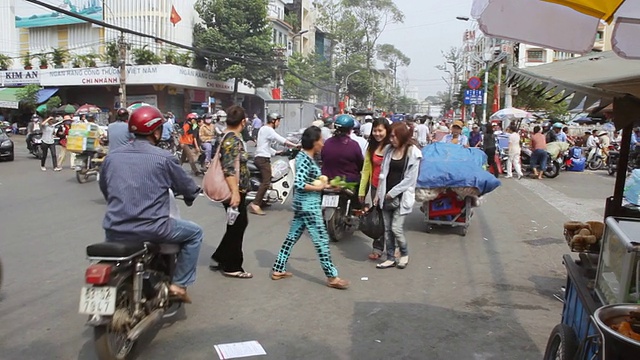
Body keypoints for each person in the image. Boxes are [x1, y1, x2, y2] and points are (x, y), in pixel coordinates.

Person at [100, 106, 202, 303]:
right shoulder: (163, 158)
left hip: (114, 228)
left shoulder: (111, 157)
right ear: (156, 132)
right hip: (154, 228)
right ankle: (179, 285)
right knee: (195, 233)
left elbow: (106, 190)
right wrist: (192, 194)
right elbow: (186, 186)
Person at [271, 126, 350, 289]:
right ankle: (332, 276)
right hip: (309, 206)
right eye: (320, 140)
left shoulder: (305, 157)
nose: (322, 143)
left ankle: (278, 268)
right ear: (314, 142)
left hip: (302, 204)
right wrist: (320, 188)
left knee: (292, 237)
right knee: (321, 239)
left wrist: (328, 186)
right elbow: (300, 183)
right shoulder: (305, 159)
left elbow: (310, 181)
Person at [210, 105, 253, 279]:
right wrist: (235, 192)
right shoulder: (231, 140)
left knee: (235, 224)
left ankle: (221, 256)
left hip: (238, 189)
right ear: (243, 121)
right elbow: (229, 169)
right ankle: (232, 265)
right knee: (238, 225)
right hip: (233, 190)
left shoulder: (235, 137)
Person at [374, 122, 422, 270]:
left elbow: (410, 179)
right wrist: (378, 194)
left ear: (401, 135)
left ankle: (404, 254)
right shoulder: (389, 150)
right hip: (385, 194)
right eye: (390, 136)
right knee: (387, 229)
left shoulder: (413, 152)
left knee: (396, 228)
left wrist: (392, 193)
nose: (391, 139)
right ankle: (390, 257)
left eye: (394, 136)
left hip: (401, 197)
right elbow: (383, 173)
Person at [250, 112, 299, 215]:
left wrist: (277, 152)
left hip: (262, 157)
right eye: (278, 121)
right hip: (262, 159)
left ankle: (264, 199)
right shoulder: (268, 129)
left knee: (269, 178)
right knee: (266, 181)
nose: (279, 123)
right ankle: (255, 204)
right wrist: (295, 145)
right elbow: (280, 139)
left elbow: (264, 146)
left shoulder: (264, 129)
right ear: (273, 121)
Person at [359, 118, 391, 260]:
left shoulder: (392, 146)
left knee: (390, 219)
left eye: (380, 130)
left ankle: (393, 248)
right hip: (375, 187)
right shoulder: (371, 147)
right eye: (375, 130)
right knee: (377, 218)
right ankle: (377, 248)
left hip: (390, 189)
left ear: (387, 131)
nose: (377, 133)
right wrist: (362, 190)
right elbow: (366, 170)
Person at [321, 114, 364, 187]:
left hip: (328, 181)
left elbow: (323, 158)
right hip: (348, 182)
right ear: (350, 129)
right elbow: (360, 164)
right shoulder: (354, 145)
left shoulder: (327, 142)